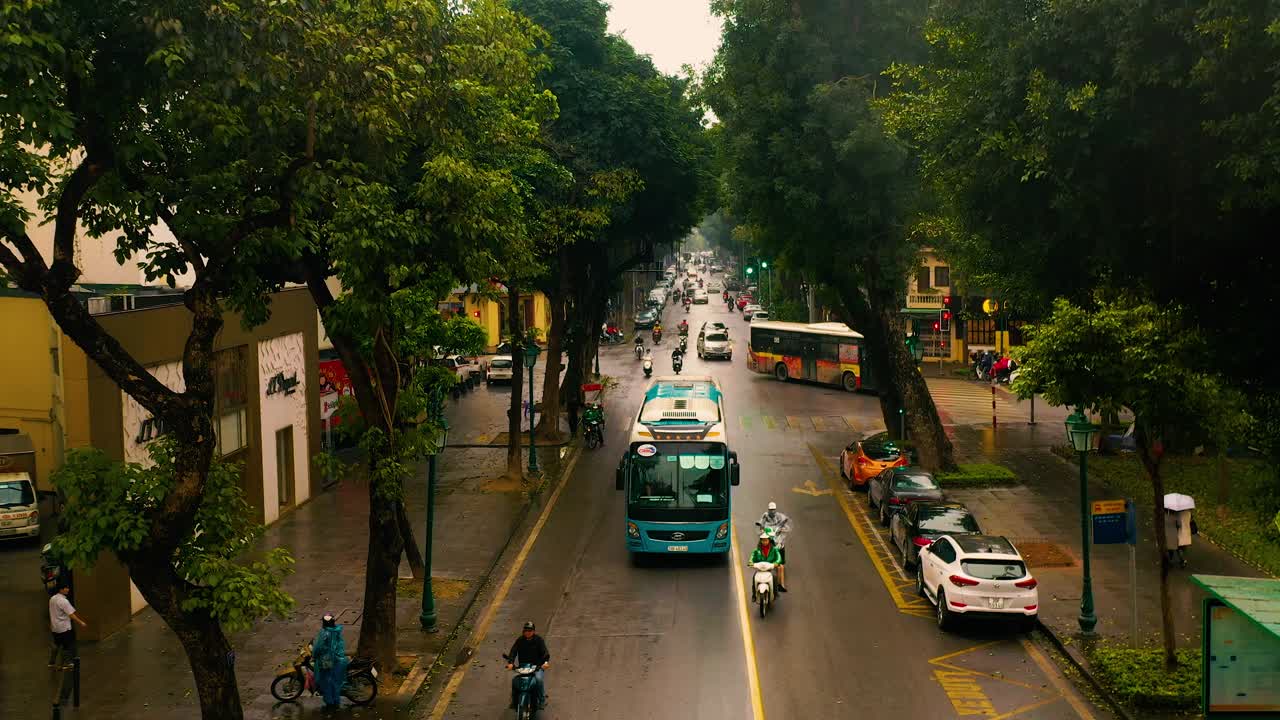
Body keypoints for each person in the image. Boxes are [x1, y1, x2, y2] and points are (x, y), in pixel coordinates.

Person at [507, 621, 550, 709]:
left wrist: (545, 663)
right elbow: (513, 651)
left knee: (538, 680)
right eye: (526, 630)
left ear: (533, 631)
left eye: (530, 631)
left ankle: (542, 701)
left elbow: (545, 653)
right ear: (523, 631)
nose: (528, 632)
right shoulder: (520, 640)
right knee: (515, 681)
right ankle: (514, 701)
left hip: (537, 667)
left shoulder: (539, 640)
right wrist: (511, 662)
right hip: (523, 667)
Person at [312, 613, 349, 710]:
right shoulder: (337, 631)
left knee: (326, 681)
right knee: (335, 682)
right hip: (339, 660)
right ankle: (336, 701)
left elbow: (318, 647)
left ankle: (330, 703)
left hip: (327, 661)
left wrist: (314, 655)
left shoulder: (324, 633)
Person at [48, 583, 87, 669]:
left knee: (56, 644)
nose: (67, 589)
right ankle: (66, 663)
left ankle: (51, 662)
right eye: (65, 588)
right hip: (64, 627)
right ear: (60, 590)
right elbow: (71, 614)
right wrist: (81, 622)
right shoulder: (63, 601)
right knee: (67, 645)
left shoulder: (52, 599)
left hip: (55, 627)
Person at [758, 501, 791, 591]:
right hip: (769, 542)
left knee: (780, 566)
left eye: (773, 510)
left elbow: (787, 528)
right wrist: (762, 530)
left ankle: (781, 584)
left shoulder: (780, 517)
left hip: (778, 543)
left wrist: (783, 530)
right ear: (768, 509)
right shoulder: (765, 516)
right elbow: (760, 525)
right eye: (770, 510)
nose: (772, 511)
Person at [749, 532, 783, 598]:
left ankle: (775, 593)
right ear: (760, 541)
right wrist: (751, 562)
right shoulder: (757, 550)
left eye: (766, 540)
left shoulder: (774, 549)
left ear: (769, 540)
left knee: (774, 577)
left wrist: (776, 563)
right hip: (760, 569)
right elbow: (752, 557)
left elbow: (779, 557)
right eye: (763, 540)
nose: (764, 542)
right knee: (754, 578)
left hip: (770, 568)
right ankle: (754, 595)